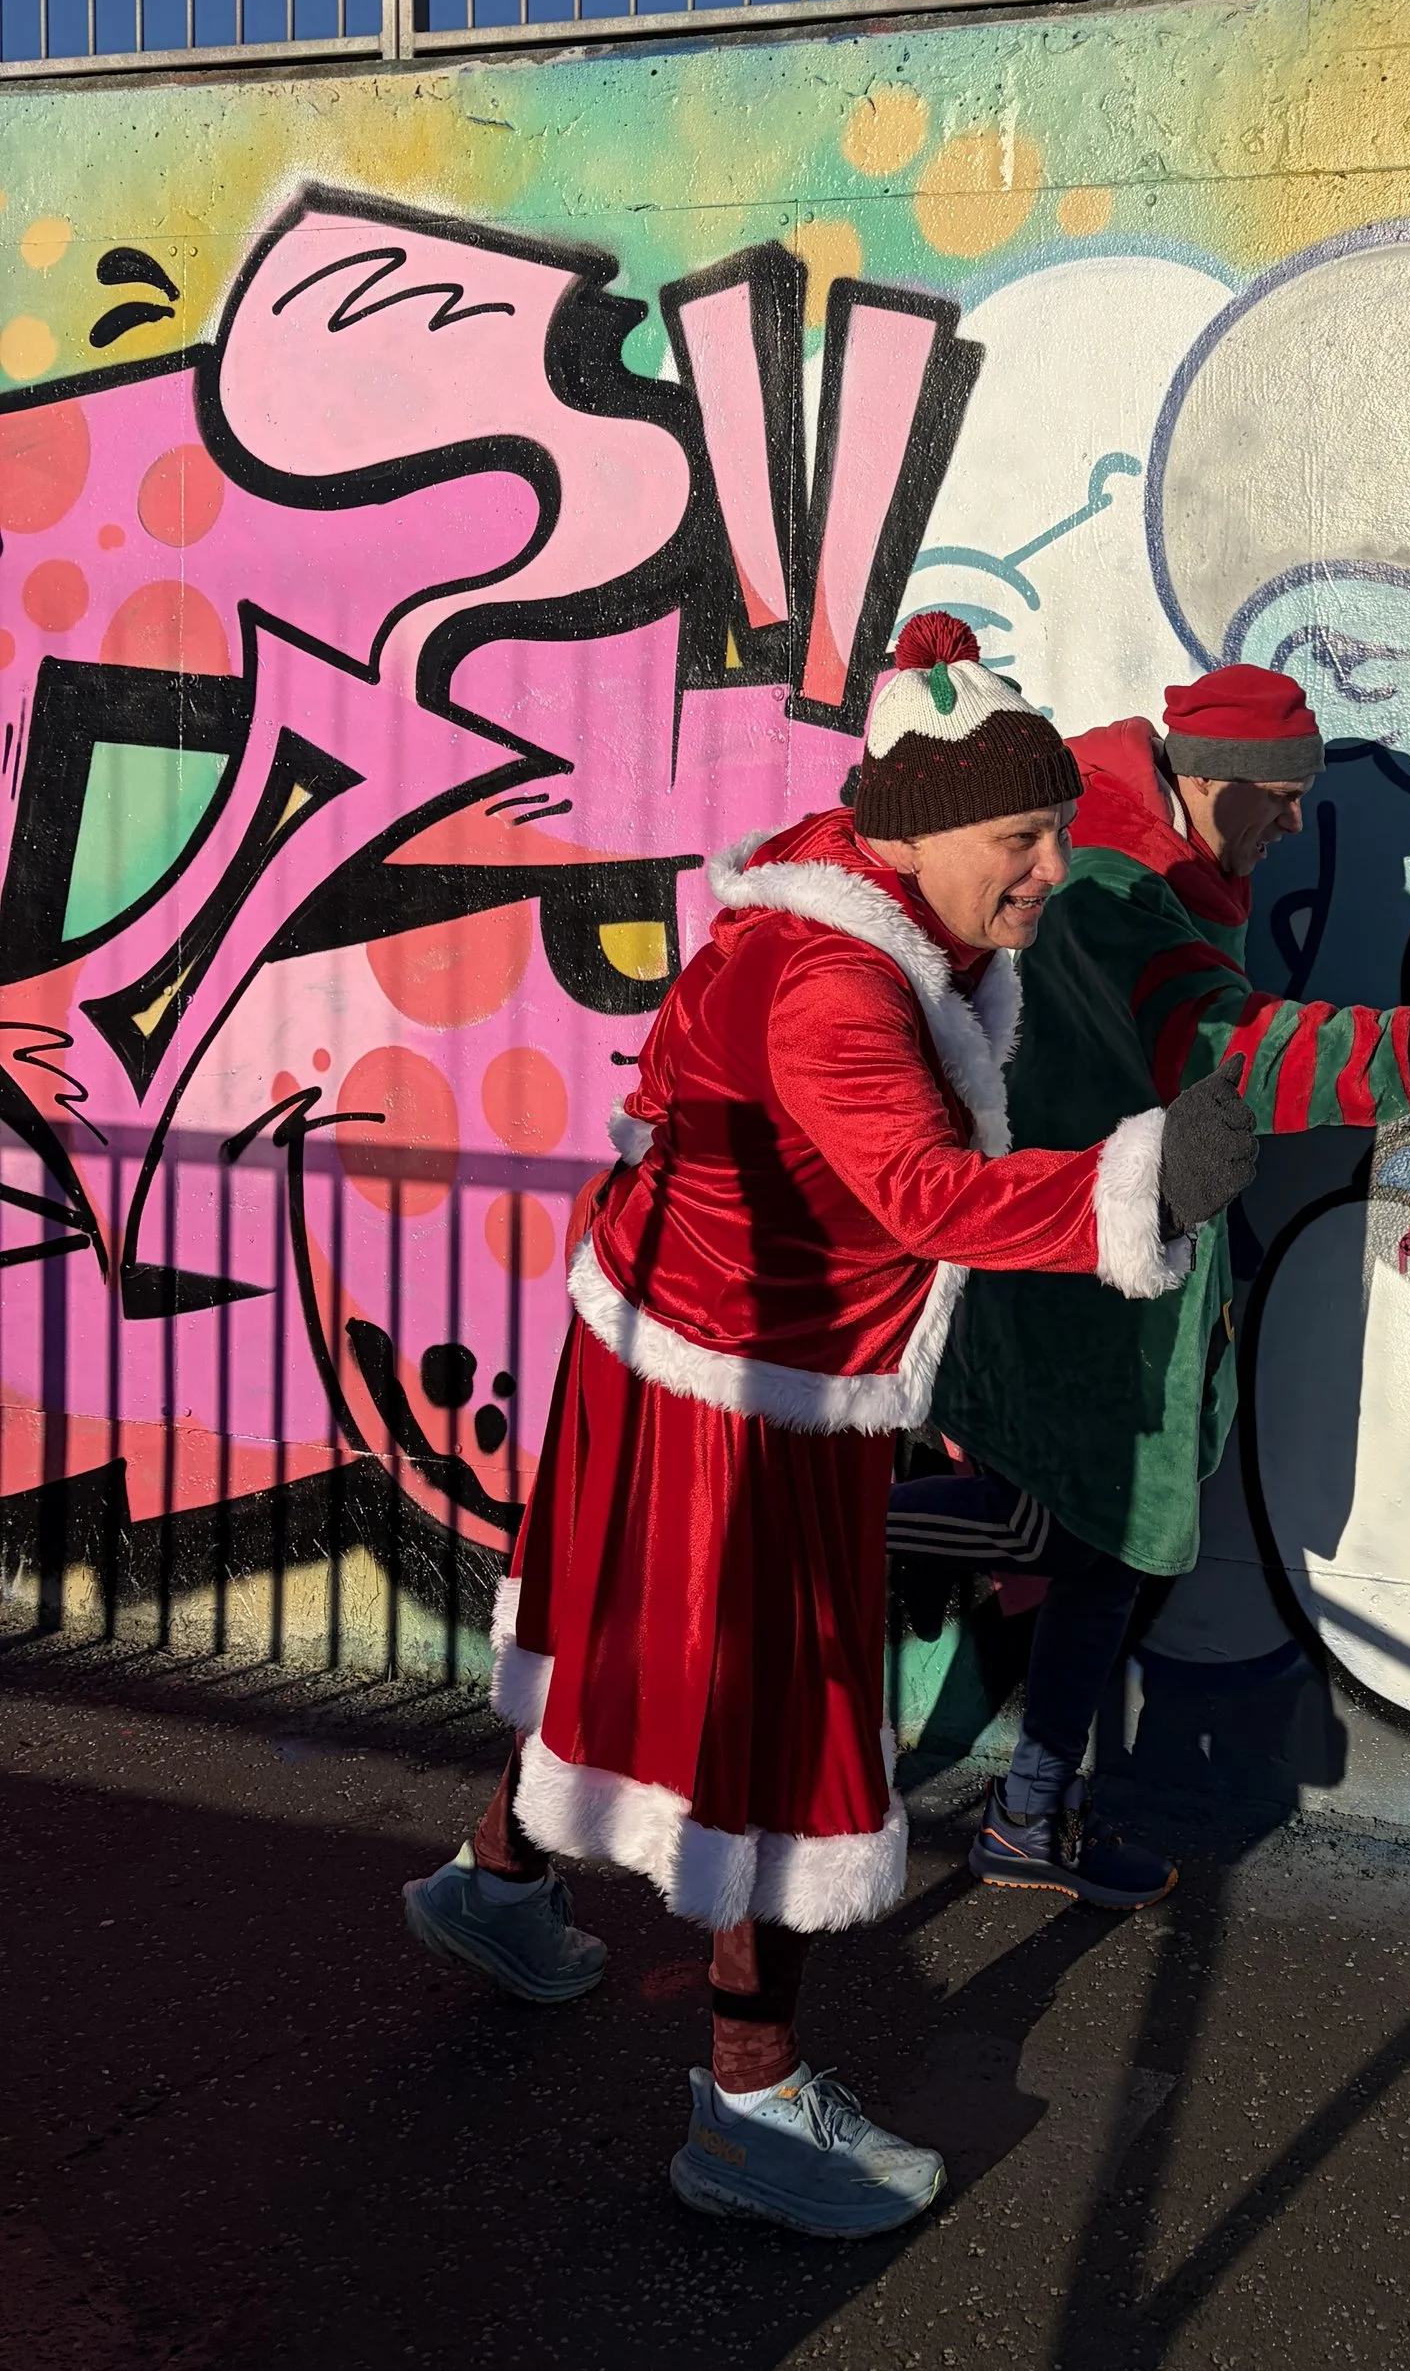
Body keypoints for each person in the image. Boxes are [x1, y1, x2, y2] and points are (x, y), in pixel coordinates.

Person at [401, 614, 1257, 2238]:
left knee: (626, 1653)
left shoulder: (849, 866)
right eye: (1024, 836)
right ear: (927, 829)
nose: (1053, 870)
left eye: (1056, 829)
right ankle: (748, 2104)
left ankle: (497, 1884)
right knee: (777, 1753)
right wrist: (1145, 1185)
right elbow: (925, 1192)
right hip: (744, 1392)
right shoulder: (833, 982)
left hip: (685, 1348)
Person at [912, 660, 1410, 1909]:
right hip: (1068, 1267)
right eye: (1282, 798)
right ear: (1210, 782)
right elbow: (1226, 1056)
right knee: (1081, 1532)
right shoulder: (1107, 887)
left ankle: (1029, 1810)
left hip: (1109, 1256)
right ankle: (797, 1539)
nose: (1297, 824)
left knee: (1102, 1546)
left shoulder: (1157, 861)